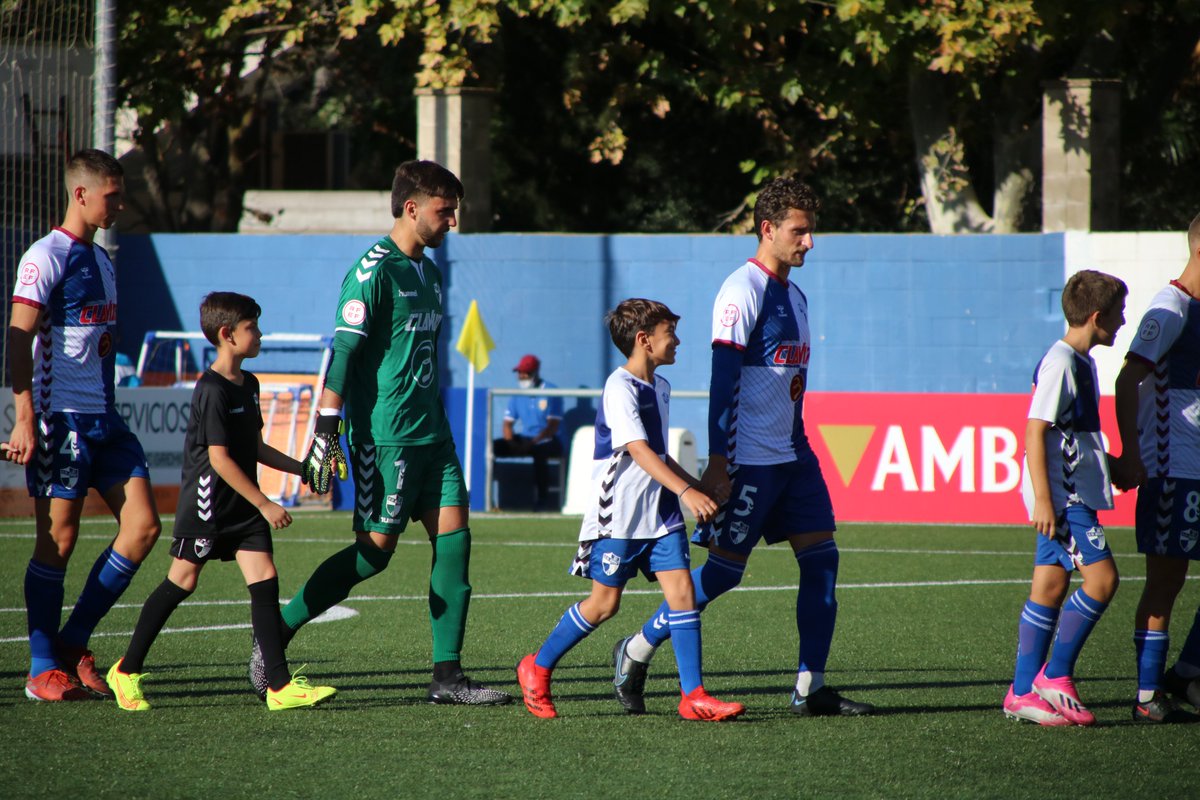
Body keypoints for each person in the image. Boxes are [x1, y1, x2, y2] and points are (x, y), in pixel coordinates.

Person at [609, 176, 874, 716]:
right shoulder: (741, 291)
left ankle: (810, 688)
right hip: (749, 460)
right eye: (799, 232)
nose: (809, 243)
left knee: (823, 564)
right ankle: (635, 647)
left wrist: (797, 443)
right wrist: (720, 463)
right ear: (768, 229)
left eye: (811, 231)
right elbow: (721, 380)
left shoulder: (796, 296)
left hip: (794, 457)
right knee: (725, 573)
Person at [251, 160, 511, 705]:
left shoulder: (432, 274)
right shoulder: (371, 271)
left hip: (434, 437)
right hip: (384, 439)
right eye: (445, 211)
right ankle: (276, 630)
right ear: (412, 208)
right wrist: (325, 431)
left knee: (457, 548)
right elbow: (343, 354)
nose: (453, 222)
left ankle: (447, 677)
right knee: (373, 556)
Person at [105, 293, 336, 711]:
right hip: (209, 503)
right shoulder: (211, 390)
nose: (260, 334)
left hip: (242, 503)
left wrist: (301, 469)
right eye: (253, 327)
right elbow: (219, 458)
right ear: (228, 335)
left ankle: (280, 687)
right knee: (183, 580)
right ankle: (125, 671)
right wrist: (266, 503)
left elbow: (256, 447)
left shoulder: (249, 384)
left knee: (264, 575)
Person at [516, 298, 743, 721]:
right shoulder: (619, 387)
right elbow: (638, 451)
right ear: (644, 340)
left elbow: (658, 452)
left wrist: (697, 488)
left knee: (682, 595)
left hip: (660, 514)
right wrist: (687, 492)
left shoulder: (660, 386)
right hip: (617, 516)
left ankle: (692, 695)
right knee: (603, 605)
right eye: (669, 333)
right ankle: (537, 666)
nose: (676, 341)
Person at [5, 149, 162, 701]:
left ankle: (73, 642)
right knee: (58, 541)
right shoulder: (44, 256)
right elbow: (18, 338)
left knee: (143, 527)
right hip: (58, 423)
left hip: (106, 421)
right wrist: (24, 418)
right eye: (112, 195)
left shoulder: (104, 261)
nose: (120, 203)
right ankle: (41, 668)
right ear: (81, 194)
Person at [1002, 270, 1127, 726]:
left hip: (1068, 493)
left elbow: (1073, 438)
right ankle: (1054, 676)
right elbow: (1035, 431)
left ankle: (1019, 693)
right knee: (1103, 581)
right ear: (1097, 317)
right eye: (1118, 313)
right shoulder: (1060, 362)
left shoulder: (1081, 361)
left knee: (1050, 587)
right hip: (1063, 499)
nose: (1123, 319)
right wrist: (1043, 499)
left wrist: (1113, 466)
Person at [1113, 211, 1200, 724]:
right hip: (1172, 468)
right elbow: (1130, 380)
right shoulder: (1169, 308)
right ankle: (1148, 696)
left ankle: (1186, 671)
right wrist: (1133, 453)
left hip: (1197, 467)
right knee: (1166, 582)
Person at [492, 354, 564, 510]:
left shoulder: (551, 392)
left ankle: (542, 501)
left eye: (526, 373)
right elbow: (507, 424)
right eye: (520, 373)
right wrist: (511, 442)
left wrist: (531, 444)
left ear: (535, 372)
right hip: (526, 439)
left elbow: (552, 427)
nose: (522, 377)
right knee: (493, 447)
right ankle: (490, 499)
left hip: (546, 441)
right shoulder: (517, 394)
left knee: (540, 452)